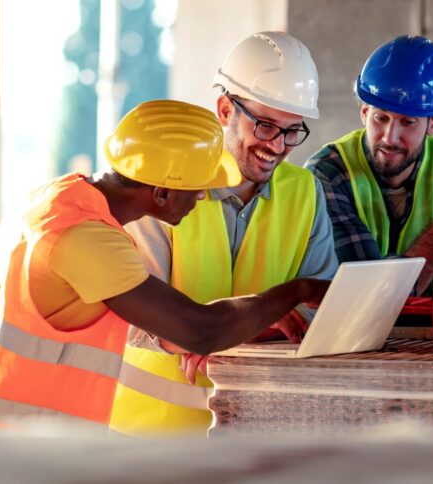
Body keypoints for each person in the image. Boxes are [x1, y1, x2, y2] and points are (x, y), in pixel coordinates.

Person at [0, 100, 329, 443]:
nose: (203, 197)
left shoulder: (64, 196)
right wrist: (298, 290)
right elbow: (199, 330)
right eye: (198, 187)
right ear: (161, 192)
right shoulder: (87, 240)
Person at [109, 32, 338, 436]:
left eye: (292, 131)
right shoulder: (163, 182)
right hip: (154, 435)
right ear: (224, 109)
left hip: (258, 430)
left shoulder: (305, 192)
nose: (278, 146)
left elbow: (318, 313)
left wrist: (231, 332)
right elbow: (141, 322)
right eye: (266, 126)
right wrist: (264, 317)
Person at [305, 35, 433, 296]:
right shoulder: (328, 173)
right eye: (380, 118)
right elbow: (369, 298)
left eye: (407, 122)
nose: (389, 137)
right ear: (364, 113)